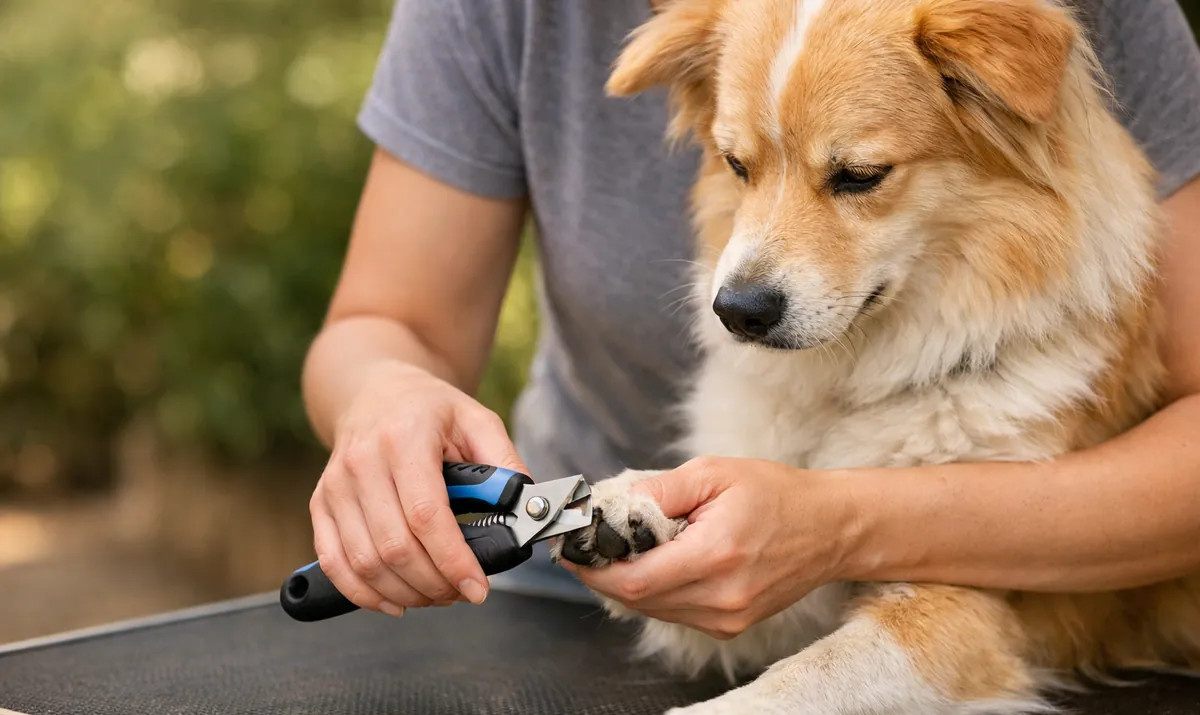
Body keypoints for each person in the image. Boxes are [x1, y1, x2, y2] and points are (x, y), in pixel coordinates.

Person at [301, 0, 1200, 637]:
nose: (749, 279)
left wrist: (843, 525)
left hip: (994, 594)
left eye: (856, 176)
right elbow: (387, 321)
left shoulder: (1020, 30)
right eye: (738, 165)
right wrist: (380, 397)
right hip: (570, 596)